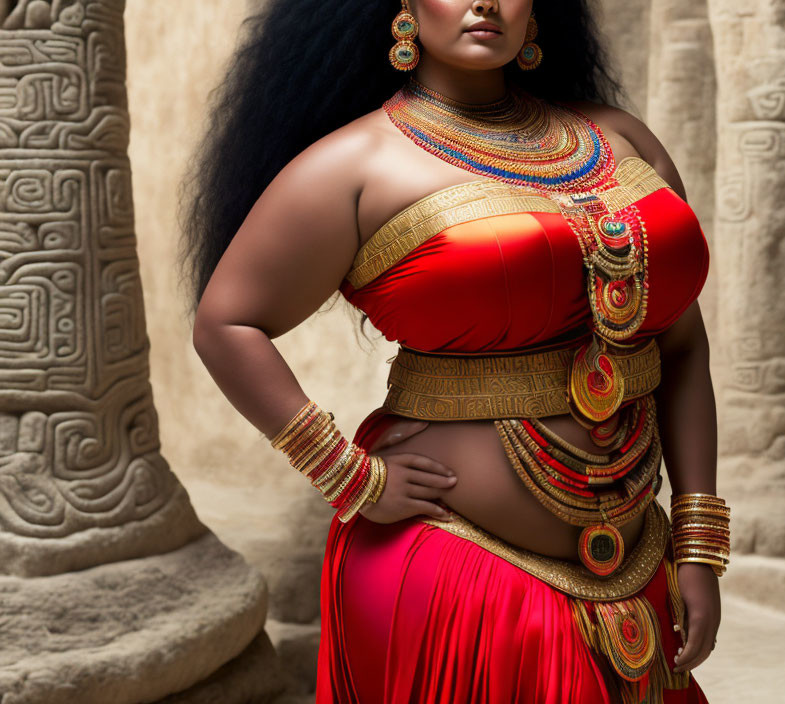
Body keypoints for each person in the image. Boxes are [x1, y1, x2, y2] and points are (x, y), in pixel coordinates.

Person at [180, 0, 728, 701]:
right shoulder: (355, 165)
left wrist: (698, 543)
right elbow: (226, 323)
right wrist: (349, 477)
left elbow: (681, 347)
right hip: (452, 570)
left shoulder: (621, 139)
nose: (485, 1)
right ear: (402, 7)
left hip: (637, 555)